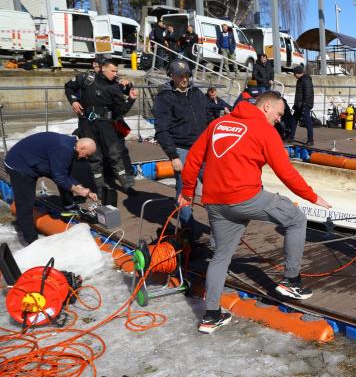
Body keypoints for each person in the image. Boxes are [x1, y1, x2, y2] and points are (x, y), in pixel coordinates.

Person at [178, 91, 332, 333]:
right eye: (279, 114)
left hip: (216, 202)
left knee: (220, 256)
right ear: (266, 107)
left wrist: (188, 192)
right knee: (296, 219)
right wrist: (311, 196)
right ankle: (291, 281)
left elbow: (193, 160)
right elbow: (285, 171)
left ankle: (210, 315)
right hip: (246, 197)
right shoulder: (264, 130)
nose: (280, 119)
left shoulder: (218, 124)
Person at [152, 59, 214, 232]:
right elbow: (161, 130)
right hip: (182, 150)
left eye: (187, 75)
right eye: (180, 76)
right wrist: (173, 155)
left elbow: (208, 115)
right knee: (185, 191)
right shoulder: (165, 98)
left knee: (212, 185)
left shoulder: (197, 93)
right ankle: (188, 228)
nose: (185, 79)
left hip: (203, 148)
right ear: (172, 76)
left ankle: (217, 224)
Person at [4, 134, 98, 245]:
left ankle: (69, 206)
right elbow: (60, 178)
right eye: (87, 155)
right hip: (18, 165)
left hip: (34, 159)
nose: (86, 158)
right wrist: (80, 191)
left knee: (62, 177)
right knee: (25, 204)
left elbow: (65, 174)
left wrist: (83, 188)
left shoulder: (71, 146)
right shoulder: (64, 150)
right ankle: (31, 241)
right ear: (81, 148)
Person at [64, 58, 137, 194]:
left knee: (115, 154)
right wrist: (73, 101)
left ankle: (126, 185)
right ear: (103, 68)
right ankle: (100, 186)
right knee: (94, 156)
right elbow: (68, 87)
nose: (115, 74)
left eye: (116, 71)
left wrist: (131, 99)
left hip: (106, 124)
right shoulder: (87, 78)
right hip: (87, 123)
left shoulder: (116, 86)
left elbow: (120, 111)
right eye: (112, 71)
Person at [287, 65, 315, 146]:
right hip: (299, 105)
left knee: (308, 122)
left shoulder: (306, 80)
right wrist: (296, 105)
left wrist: (304, 106)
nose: (294, 75)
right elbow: (299, 94)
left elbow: (308, 94)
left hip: (304, 105)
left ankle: (310, 140)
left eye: (295, 73)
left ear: (298, 73)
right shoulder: (300, 80)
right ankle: (291, 136)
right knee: (294, 120)